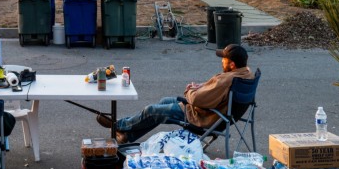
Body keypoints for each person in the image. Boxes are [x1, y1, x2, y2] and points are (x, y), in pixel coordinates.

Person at [96, 44, 254, 144]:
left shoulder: (228, 80)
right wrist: (203, 85)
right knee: (164, 101)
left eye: (224, 60)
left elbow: (197, 99)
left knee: (152, 111)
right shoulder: (246, 74)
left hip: (202, 117)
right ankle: (127, 136)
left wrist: (191, 89)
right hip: (215, 114)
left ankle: (118, 125)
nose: (222, 61)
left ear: (232, 64)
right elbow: (216, 90)